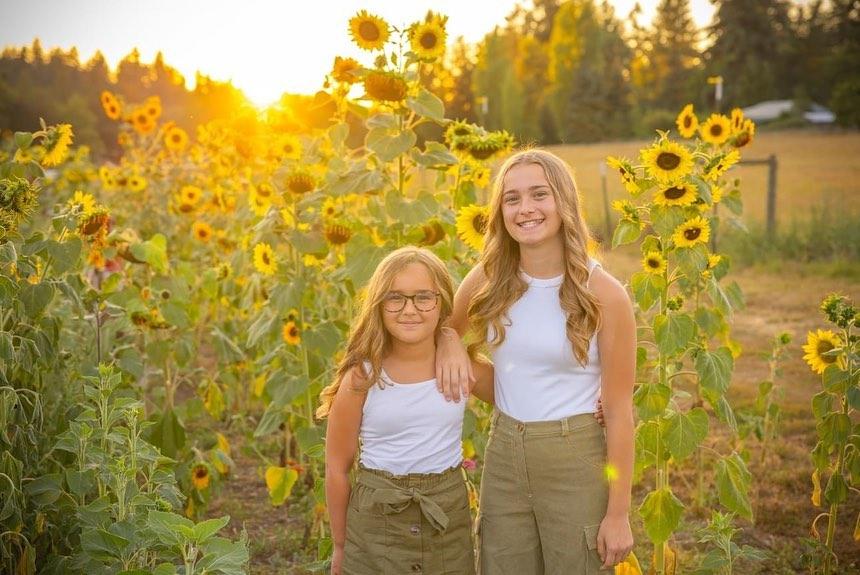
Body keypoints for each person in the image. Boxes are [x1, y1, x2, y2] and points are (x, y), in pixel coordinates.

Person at [435, 149, 636, 573]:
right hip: (505, 451)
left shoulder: (605, 294)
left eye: (539, 194)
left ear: (564, 202)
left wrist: (618, 514)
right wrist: (451, 341)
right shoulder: (489, 278)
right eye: (512, 198)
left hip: (576, 458)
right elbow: (448, 337)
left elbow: (618, 411)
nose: (525, 209)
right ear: (500, 210)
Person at [318, 246, 495, 575]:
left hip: (446, 519)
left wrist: (451, 338)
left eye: (423, 297)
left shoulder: (461, 368)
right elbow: (337, 468)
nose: (409, 309)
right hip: (375, 526)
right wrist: (341, 546)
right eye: (394, 298)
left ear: (442, 302)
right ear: (378, 306)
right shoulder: (362, 376)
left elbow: (524, 399)